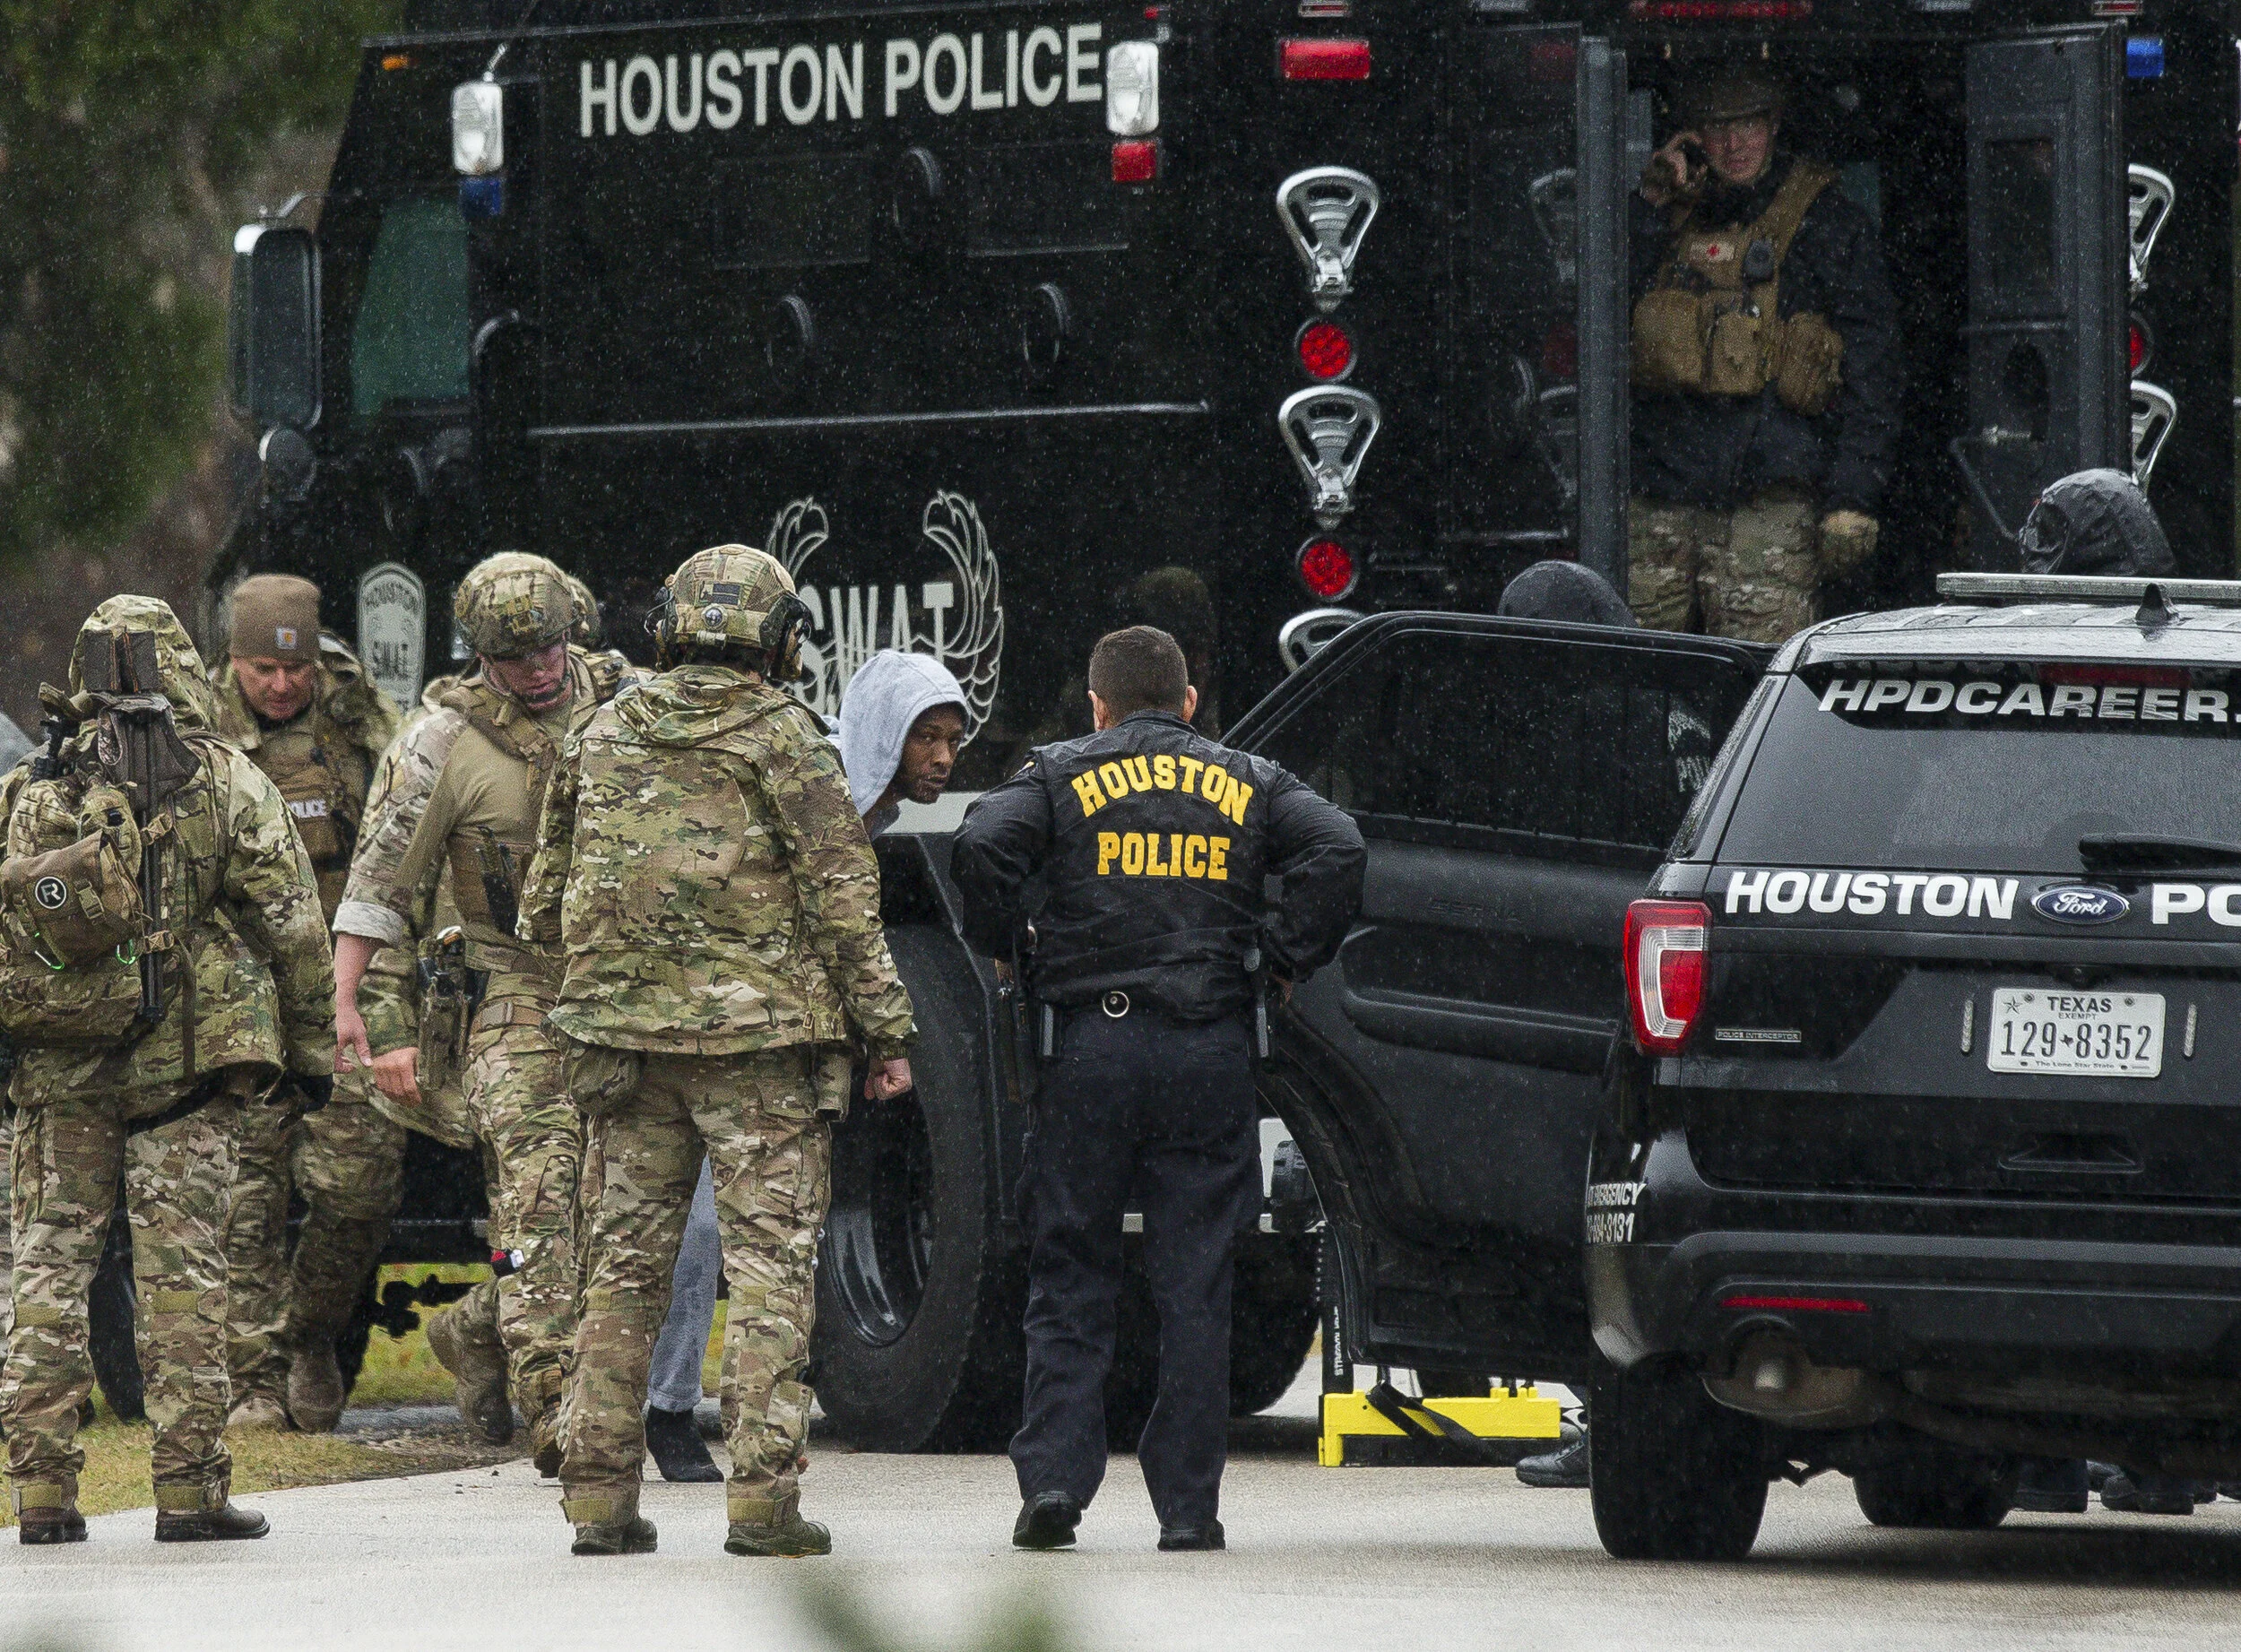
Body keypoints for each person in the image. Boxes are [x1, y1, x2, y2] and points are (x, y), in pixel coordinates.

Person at [521, 544, 916, 1559]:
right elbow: (843, 899)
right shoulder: (786, 736)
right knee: (772, 1273)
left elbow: (540, 906)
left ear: (667, 626)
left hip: (622, 1049)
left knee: (620, 1272)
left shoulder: (599, 730)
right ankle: (761, 1501)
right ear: (782, 639)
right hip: (762, 1054)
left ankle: (601, 1499)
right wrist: (887, 1031)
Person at [950, 625, 1364, 1553]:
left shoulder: (1058, 770)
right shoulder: (1248, 776)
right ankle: (1188, 1508)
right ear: (1187, 703)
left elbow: (979, 842)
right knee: (1195, 1282)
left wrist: (1010, 947)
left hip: (1090, 1050)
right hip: (1208, 1053)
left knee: (1070, 1269)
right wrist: (1283, 956)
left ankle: (1055, 1479)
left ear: (1096, 706)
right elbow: (1339, 848)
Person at [2, 596, 333, 1542]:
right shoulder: (222, 780)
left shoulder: (35, 785)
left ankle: (42, 1494)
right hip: (184, 1080)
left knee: (47, 1273)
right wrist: (312, 1056)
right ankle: (189, 1490)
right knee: (185, 1281)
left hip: (58, 1073)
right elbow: (296, 928)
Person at [332, 552, 618, 1476]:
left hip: (619, 987)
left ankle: (476, 1324)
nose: (536, 669)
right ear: (480, 655)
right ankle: (558, 1423)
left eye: (547, 649)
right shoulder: (440, 740)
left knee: (611, 1209)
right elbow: (380, 887)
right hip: (508, 990)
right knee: (538, 1200)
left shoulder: (628, 706)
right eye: (511, 656)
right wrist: (364, 1010)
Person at [209, 575, 406, 1431]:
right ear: (233, 662)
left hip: (343, 983)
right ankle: (249, 1380)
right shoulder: (198, 732)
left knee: (360, 1180)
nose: (282, 686)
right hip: (240, 987)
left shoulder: (360, 727)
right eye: (262, 670)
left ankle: (311, 1336)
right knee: (244, 1194)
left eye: (295, 671)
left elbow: (402, 842)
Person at [1628, 65, 1900, 644]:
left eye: (1747, 123)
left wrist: (1853, 495)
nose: (1733, 144)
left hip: (1768, 506)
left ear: (1774, 122)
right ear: (1694, 134)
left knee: (1757, 688)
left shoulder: (1828, 224)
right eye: (1717, 126)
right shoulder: (1662, 217)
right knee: (1639, 681)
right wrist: (1651, 202)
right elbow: (1597, 311)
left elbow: (1872, 369)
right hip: (1661, 502)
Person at [837, 650, 970, 835]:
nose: (945, 759)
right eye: (927, 737)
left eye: (954, 740)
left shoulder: (867, 807)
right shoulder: (822, 795)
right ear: (883, 734)